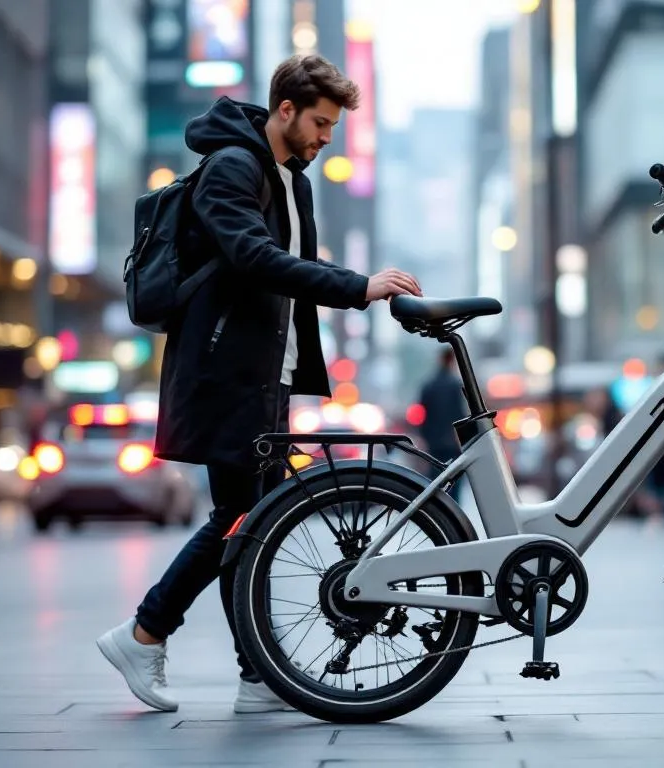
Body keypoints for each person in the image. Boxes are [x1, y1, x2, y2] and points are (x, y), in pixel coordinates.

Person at [96, 54, 422, 715]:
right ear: (285, 111)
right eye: (321, 124)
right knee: (239, 518)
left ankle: (256, 674)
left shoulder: (290, 180)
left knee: (253, 526)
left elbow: (294, 266)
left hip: (262, 374)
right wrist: (358, 288)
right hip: (223, 371)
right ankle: (145, 632)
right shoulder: (233, 168)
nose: (327, 138)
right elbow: (253, 258)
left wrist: (353, 286)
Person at [417, 349, 468, 493]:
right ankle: (453, 513)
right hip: (452, 442)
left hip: (433, 442)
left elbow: (421, 414)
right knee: (454, 481)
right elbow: (460, 414)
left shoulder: (429, 385)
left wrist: (423, 436)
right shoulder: (455, 385)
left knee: (435, 483)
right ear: (452, 361)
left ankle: (435, 513)